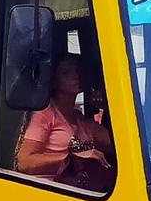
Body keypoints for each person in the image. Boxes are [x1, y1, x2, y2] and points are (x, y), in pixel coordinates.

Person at [15, 54, 114, 191]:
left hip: (79, 191)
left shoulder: (80, 119)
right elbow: (25, 163)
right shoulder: (45, 114)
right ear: (54, 81)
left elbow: (116, 144)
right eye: (66, 72)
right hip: (49, 191)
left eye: (78, 70)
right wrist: (72, 159)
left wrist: (107, 107)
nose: (76, 76)